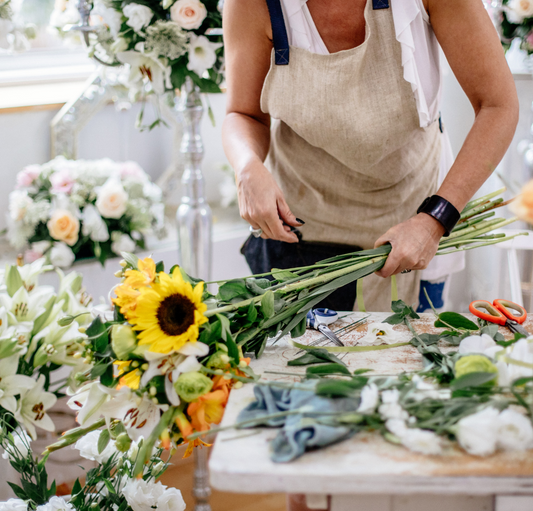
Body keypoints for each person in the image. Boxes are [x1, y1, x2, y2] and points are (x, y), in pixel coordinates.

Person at [221, 0, 518, 313]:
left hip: (414, 219)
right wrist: (247, 166)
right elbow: (244, 113)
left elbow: (498, 106)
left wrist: (434, 220)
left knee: (410, 356)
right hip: (301, 225)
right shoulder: (252, 4)